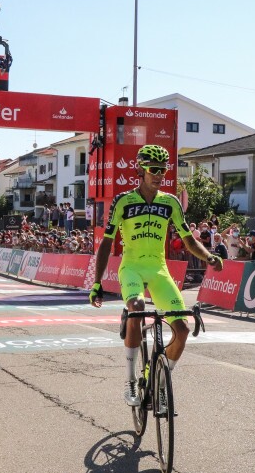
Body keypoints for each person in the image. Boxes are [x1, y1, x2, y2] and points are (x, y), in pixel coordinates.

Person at [89, 145, 223, 407]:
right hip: (132, 268)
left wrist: (208, 256)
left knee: (182, 329)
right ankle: (129, 381)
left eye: (163, 170)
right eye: (154, 169)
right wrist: (97, 282)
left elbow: (188, 240)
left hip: (159, 270)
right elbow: (106, 243)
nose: (159, 174)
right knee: (137, 307)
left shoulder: (170, 201)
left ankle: (162, 381)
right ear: (140, 170)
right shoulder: (123, 201)